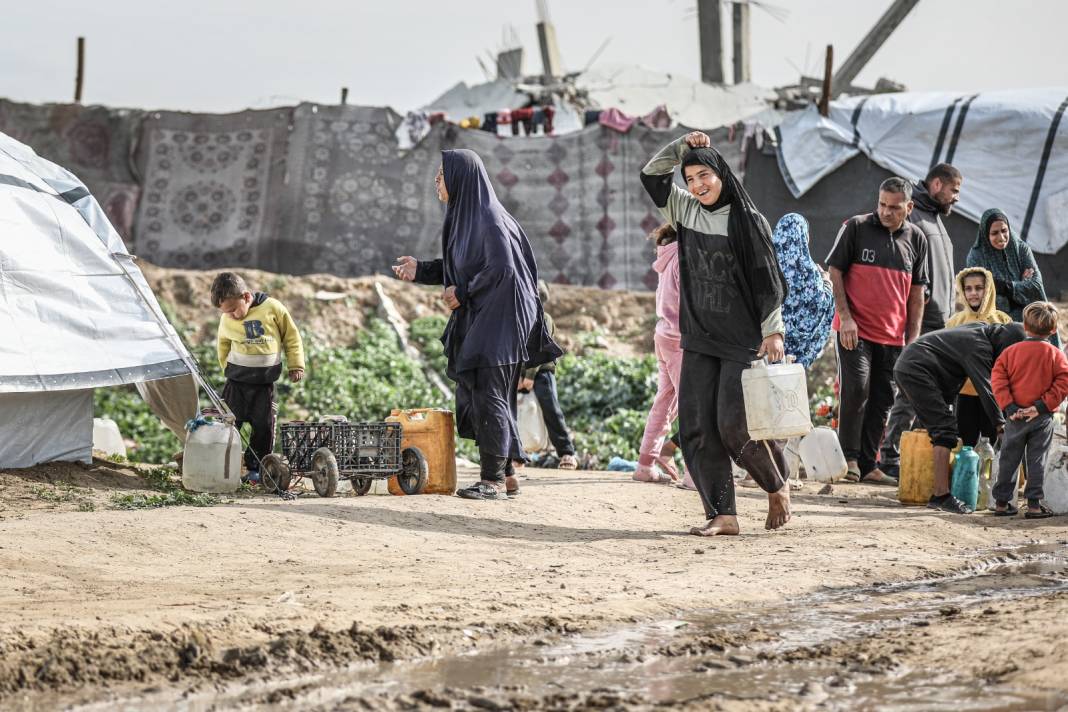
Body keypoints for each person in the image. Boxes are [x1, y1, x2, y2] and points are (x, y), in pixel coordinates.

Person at [640, 130, 791, 536]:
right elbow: (651, 176)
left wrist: (772, 332)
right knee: (696, 427)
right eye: (689, 179)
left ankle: (776, 486)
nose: (696, 185)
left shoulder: (748, 221)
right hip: (698, 337)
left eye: (704, 175)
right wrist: (681, 149)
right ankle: (723, 514)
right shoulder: (686, 212)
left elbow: (768, 281)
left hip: (741, 341)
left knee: (732, 426)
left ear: (721, 173)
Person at [393, 149, 561, 501]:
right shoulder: (469, 219)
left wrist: (463, 292)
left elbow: (502, 269)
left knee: (490, 395)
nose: (437, 181)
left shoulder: (489, 219)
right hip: (489, 319)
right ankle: (507, 475)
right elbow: (462, 266)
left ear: (461, 179)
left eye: (442, 174)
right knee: (486, 394)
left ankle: (493, 480)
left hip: (501, 321)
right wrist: (420, 269)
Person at [827, 177, 927, 485]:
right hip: (853, 331)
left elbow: (916, 293)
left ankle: (870, 464)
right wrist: (845, 318)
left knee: (884, 397)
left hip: (893, 338)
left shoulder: (917, 239)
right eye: (882, 204)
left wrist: (912, 342)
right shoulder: (856, 227)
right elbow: (835, 271)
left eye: (894, 207)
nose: (885, 211)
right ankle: (849, 459)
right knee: (856, 388)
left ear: (909, 207)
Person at [879, 164, 963, 476]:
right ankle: (890, 456)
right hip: (922, 321)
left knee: (930, 391)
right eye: (954, 191)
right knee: (914, 388)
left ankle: (918, 457)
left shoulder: (935, 220)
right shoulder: (913, 216)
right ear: (937, 184)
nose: (956, 198)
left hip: (941, 322)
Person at [894, 321, 1026, 513]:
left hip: (913, 365)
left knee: (928, 428)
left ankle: (916, 482)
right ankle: (940, 496)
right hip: (917, 369)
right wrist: (1000, 425)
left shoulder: (981, 331)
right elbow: (985, 387)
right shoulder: (979, 346)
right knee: (945, 430)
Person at [212, 272, 305, 482]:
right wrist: (226, 366)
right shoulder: (226, 319)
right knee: (228, 423)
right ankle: (225, 466)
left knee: (263, 427)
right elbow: (223, 344)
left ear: (245, 297)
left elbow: (292, 337)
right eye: (226, 312)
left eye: (234, 310)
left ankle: (257, 469)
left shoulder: (273, 308)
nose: (232, 315)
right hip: (236, 383)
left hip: (264, 384)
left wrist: (296, 365)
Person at [771, 212, 835, 487]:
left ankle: (755, 469)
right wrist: (828, 284)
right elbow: (824, 306)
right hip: (795, 360)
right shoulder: (812, 273)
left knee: (765, 411)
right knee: (793, 411)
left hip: (767, 353)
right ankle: (788, 470)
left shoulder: (767, 268)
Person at [991, 302, 1068, 519]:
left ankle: (1002, 504)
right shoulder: (1056, 355)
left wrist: (1010, 406)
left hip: (1015, 416)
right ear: (1053, 330)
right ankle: (1034, 506)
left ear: (1024, 326)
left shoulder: (1010, 352)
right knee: (1037, 460)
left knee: (1009, 458)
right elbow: (1063, 382)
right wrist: (1041, 406)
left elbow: (997, 378)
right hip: (1042, 417)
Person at [634, 222, 683, 484]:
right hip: (679, 339)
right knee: (693, 404)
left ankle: (645, 464)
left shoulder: (665, 259)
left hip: (663, 335)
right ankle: (696, 475)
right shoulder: (682, 259)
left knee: (664, 401)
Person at [945, 267, 1012, 446]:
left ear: (988, 289)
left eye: (979, 288)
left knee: (991, 447)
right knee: (964, 445)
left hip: (993, 395)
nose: (973, 293)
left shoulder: (1002, 320)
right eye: (968, 288)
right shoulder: (955, 322)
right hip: (964, 394)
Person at [517, 280, 578, 472]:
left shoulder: (545, 318)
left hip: (542, 371)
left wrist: (529, 376)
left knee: (551, 409)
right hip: (520, 373)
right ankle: (517, 454)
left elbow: (541, 348)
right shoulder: (518, 318)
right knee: (515, 412)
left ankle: (567, 452)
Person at [966, 208, 1049, 323]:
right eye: (994, 233)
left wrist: (1003, 287)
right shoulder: (976, 256)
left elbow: (1036, 286)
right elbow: (980, 296)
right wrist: (1021, 285)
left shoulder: (1021, 249)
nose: (1001, 237)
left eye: (1004, 230)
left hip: (1029, 319)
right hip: (995, 323)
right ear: (985, 234)